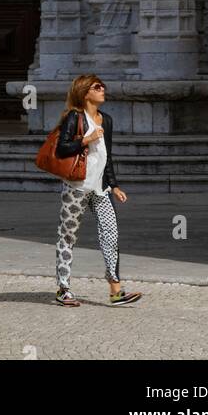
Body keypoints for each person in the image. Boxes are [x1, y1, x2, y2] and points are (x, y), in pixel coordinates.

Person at [53, 74, 142, 307]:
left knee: (111, 236)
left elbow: (106, 157)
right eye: (97, 87)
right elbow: (61, 149)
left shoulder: (107, 120)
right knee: (68, 236)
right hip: (77, 187)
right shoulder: (74, 117)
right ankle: (64, 289)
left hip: (100, 188)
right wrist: (85, 139)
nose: (103, 89)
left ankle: (116, 291)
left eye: (103, 85)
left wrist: (114, 185)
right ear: (85, 93)